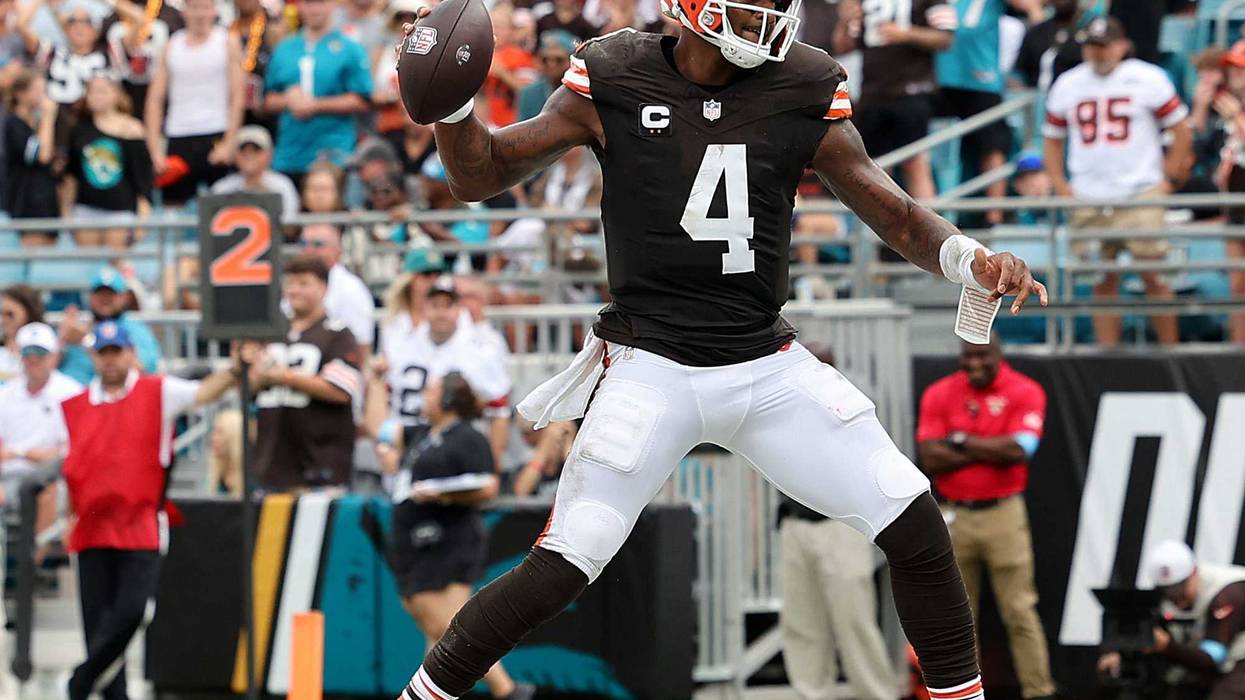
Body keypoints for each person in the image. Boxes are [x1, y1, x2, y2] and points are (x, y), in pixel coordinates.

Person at [394, 0, 1049, 694]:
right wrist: (455, 108)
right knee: (566, 557)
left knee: (909, 511)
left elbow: (885, 205)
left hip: (762, 361)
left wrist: (967, 258)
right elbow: (478, 175)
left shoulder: (801, 80)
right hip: (651, 363)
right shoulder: (614, 71)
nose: (767, 19)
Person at [61, 319, 244, 700]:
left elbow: (204, 393)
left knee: (131, 612)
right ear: (93, 356)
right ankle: (111, 693)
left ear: (131, 353)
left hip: (139, 522)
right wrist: (68, 517)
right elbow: (72, 467)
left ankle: (80, 683)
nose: (110, 361)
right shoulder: (77, 405)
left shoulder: (157, 391)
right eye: (103, 353)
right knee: (97, 622)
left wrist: (237, 369)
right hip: (92, 525)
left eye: (116, 352)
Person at [373, 372, 533, 700]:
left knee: (449, 630)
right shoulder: (425, 434)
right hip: (417, 541)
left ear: (448, 400)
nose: (424, 397)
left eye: (431, 391)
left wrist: (440, 494)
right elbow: (383, 430)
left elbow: (486, 485)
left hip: (447, 541)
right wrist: (376, 383)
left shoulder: (467, 437)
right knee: (440, 632)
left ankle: (508, 691)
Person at [916, 334, 1056, 700]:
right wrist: (987, 449)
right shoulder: (940, 392)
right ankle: (962, 696)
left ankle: (1039, 692)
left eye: (982, 355)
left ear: (999, 355)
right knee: (958, 618)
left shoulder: (1024, 390)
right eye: (968, 356)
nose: (975, 363)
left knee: (1020, 611)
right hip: (953, 515)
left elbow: (1019, 449)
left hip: (1003, 514)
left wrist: (960, 442)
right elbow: (930, 457)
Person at [1043, 16, 1191, 347]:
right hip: (1088, 194)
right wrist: (1062, 186)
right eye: (1092, 46)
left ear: (1122, 45)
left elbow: (1180, 129)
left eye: (1104, 45)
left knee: (1155, 277)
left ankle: (1172, 353)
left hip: (1140, 190)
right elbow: (1052, 138)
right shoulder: (1068, 83)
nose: (1097, 53)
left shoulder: (1148, 78)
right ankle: (1106, 354)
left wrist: (1169, 178)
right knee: (1101, 281)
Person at [779, 343, 898, 700]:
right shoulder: (782, 407)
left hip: (841, 525)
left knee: (855, 623)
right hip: (795, 524)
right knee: (802, 625)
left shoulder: (850, 408)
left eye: (822, 365)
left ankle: (878, 695)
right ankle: (811, 694)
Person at [252, 254, 362, 491]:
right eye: (290, 283)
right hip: (272, 464)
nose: (294, 290)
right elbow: (248, 388)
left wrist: (285, 377)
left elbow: (341, 391)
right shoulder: (271, 333)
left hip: (319, 463)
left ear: (323, 287)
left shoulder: (337, 334)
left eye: (303, 283)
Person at [379, 276, 511, 465]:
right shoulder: (400, 344)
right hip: (406, 444)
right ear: (424, 307)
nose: (441, 312)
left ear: (459, 309)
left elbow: (498, 412)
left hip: (459, 453)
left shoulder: (480, 351)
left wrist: (494, 464)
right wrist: (385, 445)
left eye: (448, 305)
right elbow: (385, 401)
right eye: (434, 305)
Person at [934, 0, 1044, 225]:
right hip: (941, 76)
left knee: (992, 145)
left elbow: (1028, 5)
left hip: (981, 77)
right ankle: (934, 218)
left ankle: (994, 216)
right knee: (932, 152)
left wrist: (1037, 17)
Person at [1098, 540, 1245, 698]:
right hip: (1207, 662)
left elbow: (1212, 660)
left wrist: (1167, 646)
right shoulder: (1163, 597)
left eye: (1180, 589)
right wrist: (1117, 653)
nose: (1175, 598)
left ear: (1194, 572)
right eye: (1168, 591)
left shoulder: (1227, 593)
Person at [849, 0, 955, 202]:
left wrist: (906, 34)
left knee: (915, 163)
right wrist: (845, 21)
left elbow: (945, 38)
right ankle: (877, 229)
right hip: (872, 92)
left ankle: (930, 231)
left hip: (912, 90)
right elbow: (846, 44)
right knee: (873, 170)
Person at [143, 0, 243, 206]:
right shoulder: (172, 45)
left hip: (216, 131)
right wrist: (154, 149)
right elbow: (155, 99)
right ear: (184, 11)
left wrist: (229, 141)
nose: (200, 14)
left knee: (222, 206)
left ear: (214, 11)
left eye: (205, 8)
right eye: (195, 7)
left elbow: (237, 95)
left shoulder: (226, 42)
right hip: (179, 133)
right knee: (173, 206)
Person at [264, 0, 373, 179]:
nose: (314, 9)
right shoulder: (285, 49)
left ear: (333, 5)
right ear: (299, 6)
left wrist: (316, 105)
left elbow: (363, 99)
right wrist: (288, 100)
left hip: (335, 154)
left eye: (320, 2)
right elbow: (267, 100)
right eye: (308, 3)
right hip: (290, 155)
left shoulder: (350, 48)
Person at [60, 73, 154, 249]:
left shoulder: (132, 129)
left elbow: (143, 178)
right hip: (87, 208)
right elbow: (71, 176)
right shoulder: (79, 130)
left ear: (116, 95)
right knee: (90, 265)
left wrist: (143, 217)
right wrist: (67, 212)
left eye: (102, 91)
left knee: (116, 264)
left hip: (120, 208)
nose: (97, 96)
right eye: (92, 92)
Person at [0, 323, 82, 481]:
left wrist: (21, 453)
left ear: (54, 355)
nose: (33, 359)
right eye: (27, 352)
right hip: (8, 477)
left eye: (40, 352)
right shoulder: (5, 393)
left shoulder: (72, 392)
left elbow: (73, 448)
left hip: (54, 476)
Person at [58, 266, 160, 385]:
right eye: (100, 293)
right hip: (69, 393)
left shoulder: (135, 330)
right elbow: (41, 367)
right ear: (90, 296)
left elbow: (142, 372)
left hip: (113, 396)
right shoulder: (76, 326)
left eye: (111, 294)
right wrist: (61, 340)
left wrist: (87, 340)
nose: (105, 299)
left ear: (124, 297)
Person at [299, 222, 376, 352]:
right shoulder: (292, 285)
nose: (309, 250)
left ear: (337, 250)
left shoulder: (351, 288)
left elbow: (361, 345)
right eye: (303, 244)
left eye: (318, 244)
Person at [2, 70, 60, 244]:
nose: (42, 96)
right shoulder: (13, 123)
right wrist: (49, 117)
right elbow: (40, 155)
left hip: (46, 199)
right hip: (27, 202)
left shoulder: (36, 122)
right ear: (20, 94)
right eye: (37, 90)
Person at [209, 125, 301, 220]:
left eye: (256, 150)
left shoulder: (282, 184)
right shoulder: (222, 187)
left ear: (269, 154)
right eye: (243, 150)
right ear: (235, 155)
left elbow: (290, 226)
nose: (249, 155)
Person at [1217, 43, 1245, 344]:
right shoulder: (1228, 109)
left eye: (1242, 67)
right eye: (1233, 67)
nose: (1235, 74)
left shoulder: (1235, 111)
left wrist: (1237, 117)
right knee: (1238, 287)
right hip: (1236, 207)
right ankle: (1240, 351)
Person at [1014, 0, 1088, 92]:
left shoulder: (1090, 30)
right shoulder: (1037, 32)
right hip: (1036, 97)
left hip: (1076, 96)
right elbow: (1018, 73)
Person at [517, 30, 574, 123]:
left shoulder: (581, 93)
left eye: (559, 59)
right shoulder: (529, 93)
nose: (551, 64)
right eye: (545, 59)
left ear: (571, 60)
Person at [0, 284, 45, 382]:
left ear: (29, 313)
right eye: (1, 314)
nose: (3, 320)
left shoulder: (46, 352)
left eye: (10, 314)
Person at [207, 408, 244, 496]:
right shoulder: (218, 473)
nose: (213, 438)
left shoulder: (253, 477)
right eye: (214, 432)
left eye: (219, 432)